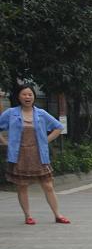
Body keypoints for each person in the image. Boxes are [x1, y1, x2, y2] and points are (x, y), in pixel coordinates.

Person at [1, 85, 68, 224]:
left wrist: (44, 141)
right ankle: (28, 216)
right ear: (19, 97)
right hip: (19, 156)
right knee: (22, 186)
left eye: (30, 94)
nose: (27, 97)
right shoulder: (11, 113)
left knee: (48, 185)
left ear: (34, 97)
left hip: (39, 155)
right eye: (24, 94)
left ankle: (57, 215)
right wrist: (6, 143)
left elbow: (58, 127)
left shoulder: (41, 113)